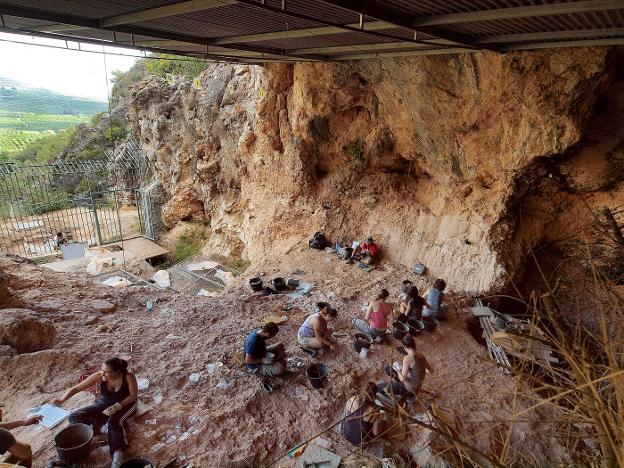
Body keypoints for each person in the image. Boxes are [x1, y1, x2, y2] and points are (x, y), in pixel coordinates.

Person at [52, 357, 138, 468]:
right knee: (74, 416)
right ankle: (104, 429)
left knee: (114, 421)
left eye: (107, 372)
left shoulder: (128, 376)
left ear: (118, 372)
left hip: (126, 404)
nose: (103, 373)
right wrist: (61, 400)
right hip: (106, 403)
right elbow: (76, 389)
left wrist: (118, 406)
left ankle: (117, 456)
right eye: (102, 370)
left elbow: (133, 396)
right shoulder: (99, 376)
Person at [341, 382, 387, 446]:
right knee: (383, 421)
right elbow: (375, 433)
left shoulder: (353, 399)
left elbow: (346, 413)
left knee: (348, 410)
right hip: (359, 442)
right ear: (374, 396)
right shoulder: (376, 412)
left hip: (345, 433)